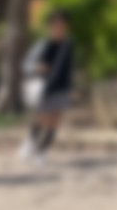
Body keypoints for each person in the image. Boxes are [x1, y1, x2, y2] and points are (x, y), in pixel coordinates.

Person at [18, 9, 75, 165]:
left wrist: (71, 89)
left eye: (62, 24)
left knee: (54, 122)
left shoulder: (68, 44)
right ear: (50, 26)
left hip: (61, 87)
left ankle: (42, 152)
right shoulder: (43, 44)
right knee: (42, 118)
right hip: (44, 87)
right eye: (55, 24)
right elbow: (26, 64)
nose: (59, 28)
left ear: (67, 26)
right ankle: (30, 142)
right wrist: (37, 67)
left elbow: (69, 68)